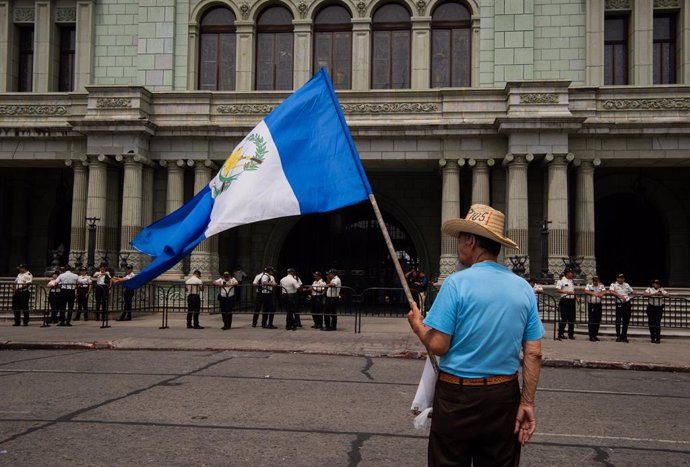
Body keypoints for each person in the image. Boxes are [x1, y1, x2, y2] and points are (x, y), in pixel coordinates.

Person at [407, 204, 544, 466]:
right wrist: (527, 401)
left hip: (457, 396)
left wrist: (418, 326)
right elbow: (534, 353)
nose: (458, 246)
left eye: (460, 239)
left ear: (471, 241)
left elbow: (439, 344)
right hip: (503, 394)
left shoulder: (456, 283)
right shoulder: (523, 288)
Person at [609, 273, 634, 342]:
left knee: (626, 320)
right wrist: (620, 296)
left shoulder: (626, 284)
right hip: (619, 303)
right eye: (620, 278)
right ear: (617, 278)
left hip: (627, 302)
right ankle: (618, 336)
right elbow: (611, 292)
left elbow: (632, 291)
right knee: (618, 320)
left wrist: (633, 293)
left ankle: (624, 336)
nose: (621, 279)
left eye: (622, 278)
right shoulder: (613, 284)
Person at [643, 279, 669, 344]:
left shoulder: (661, 289)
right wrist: (654, 294)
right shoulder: (649, 289)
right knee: (651, 323)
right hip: (651, 307)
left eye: (658, 283)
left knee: (657, 323)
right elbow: (644, 294)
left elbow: (667, 295)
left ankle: (658, 338)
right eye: (655, 283)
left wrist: (661, 294)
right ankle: (652, 337)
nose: (657, 285)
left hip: (659, 308)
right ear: (652, 284)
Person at [556, 268, 577, 340]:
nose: (572, 274)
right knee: (564, 318)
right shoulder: (561, 281)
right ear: (567, 273)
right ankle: (560, 333)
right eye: (570, 273)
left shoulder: (572, 281)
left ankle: (571, 334)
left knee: (572, 318)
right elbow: (558, 290)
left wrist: (576, 297)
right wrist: (566, 292)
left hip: (572, 300)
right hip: (565, 300)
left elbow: (573, 290)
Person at [584, 276, 606, 341]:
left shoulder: (601, 286)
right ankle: (591, 335)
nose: (595, 282)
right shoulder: (589, 285)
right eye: (594, 280)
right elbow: (586, 291)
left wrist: (601, 294)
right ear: (592, 280)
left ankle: (595, 335)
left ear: (598, 280)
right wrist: (594, 293)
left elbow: (605, 291)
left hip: (598, 304)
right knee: (592, 320)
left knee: (597, 320)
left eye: (596, 280)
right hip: (592, 304)